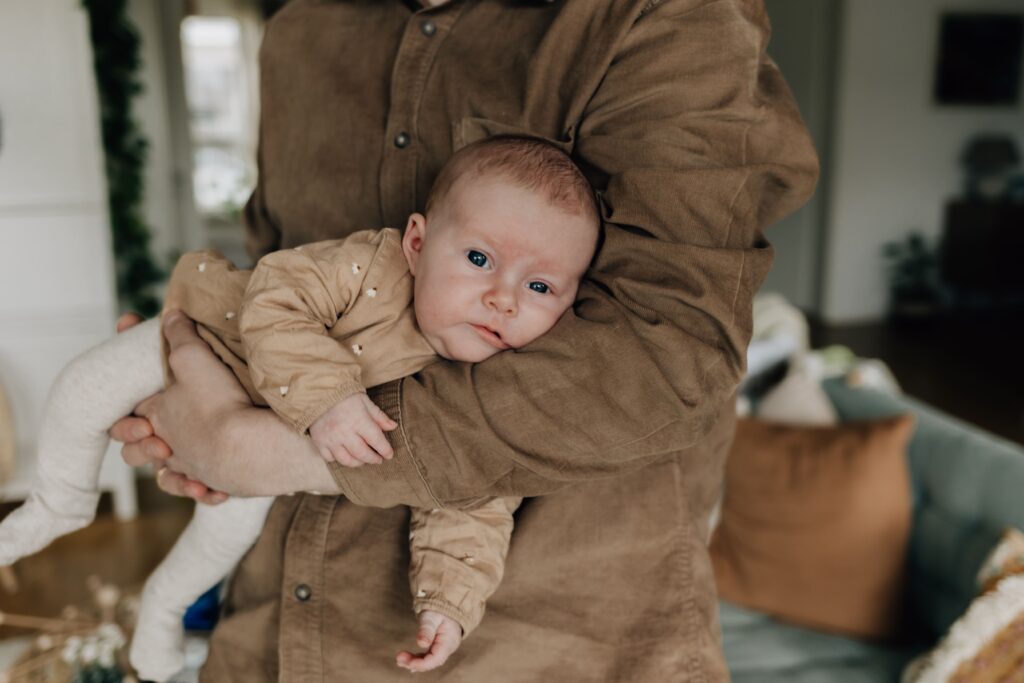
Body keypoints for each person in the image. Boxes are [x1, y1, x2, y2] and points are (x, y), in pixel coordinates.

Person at [112, 0, 819, 679]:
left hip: (553, 640)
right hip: (274, 622)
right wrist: (193, 399)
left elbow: (672, 361)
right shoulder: (298, 30)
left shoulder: (662, 14)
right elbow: (279, 278)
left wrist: (261, 450)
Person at [0, 136, 599, 679]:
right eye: (478, 259)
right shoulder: (372, 266)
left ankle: (165, 605)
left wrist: (448, 604)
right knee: (81, 389)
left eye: (540, 287)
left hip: (250, 448)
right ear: (417, 244)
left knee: (224, 535)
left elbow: (474, 498)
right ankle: (62, 501)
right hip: (206, 344)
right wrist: (329, 398)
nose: (502, 299)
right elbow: (276, 295)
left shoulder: (491, 388)